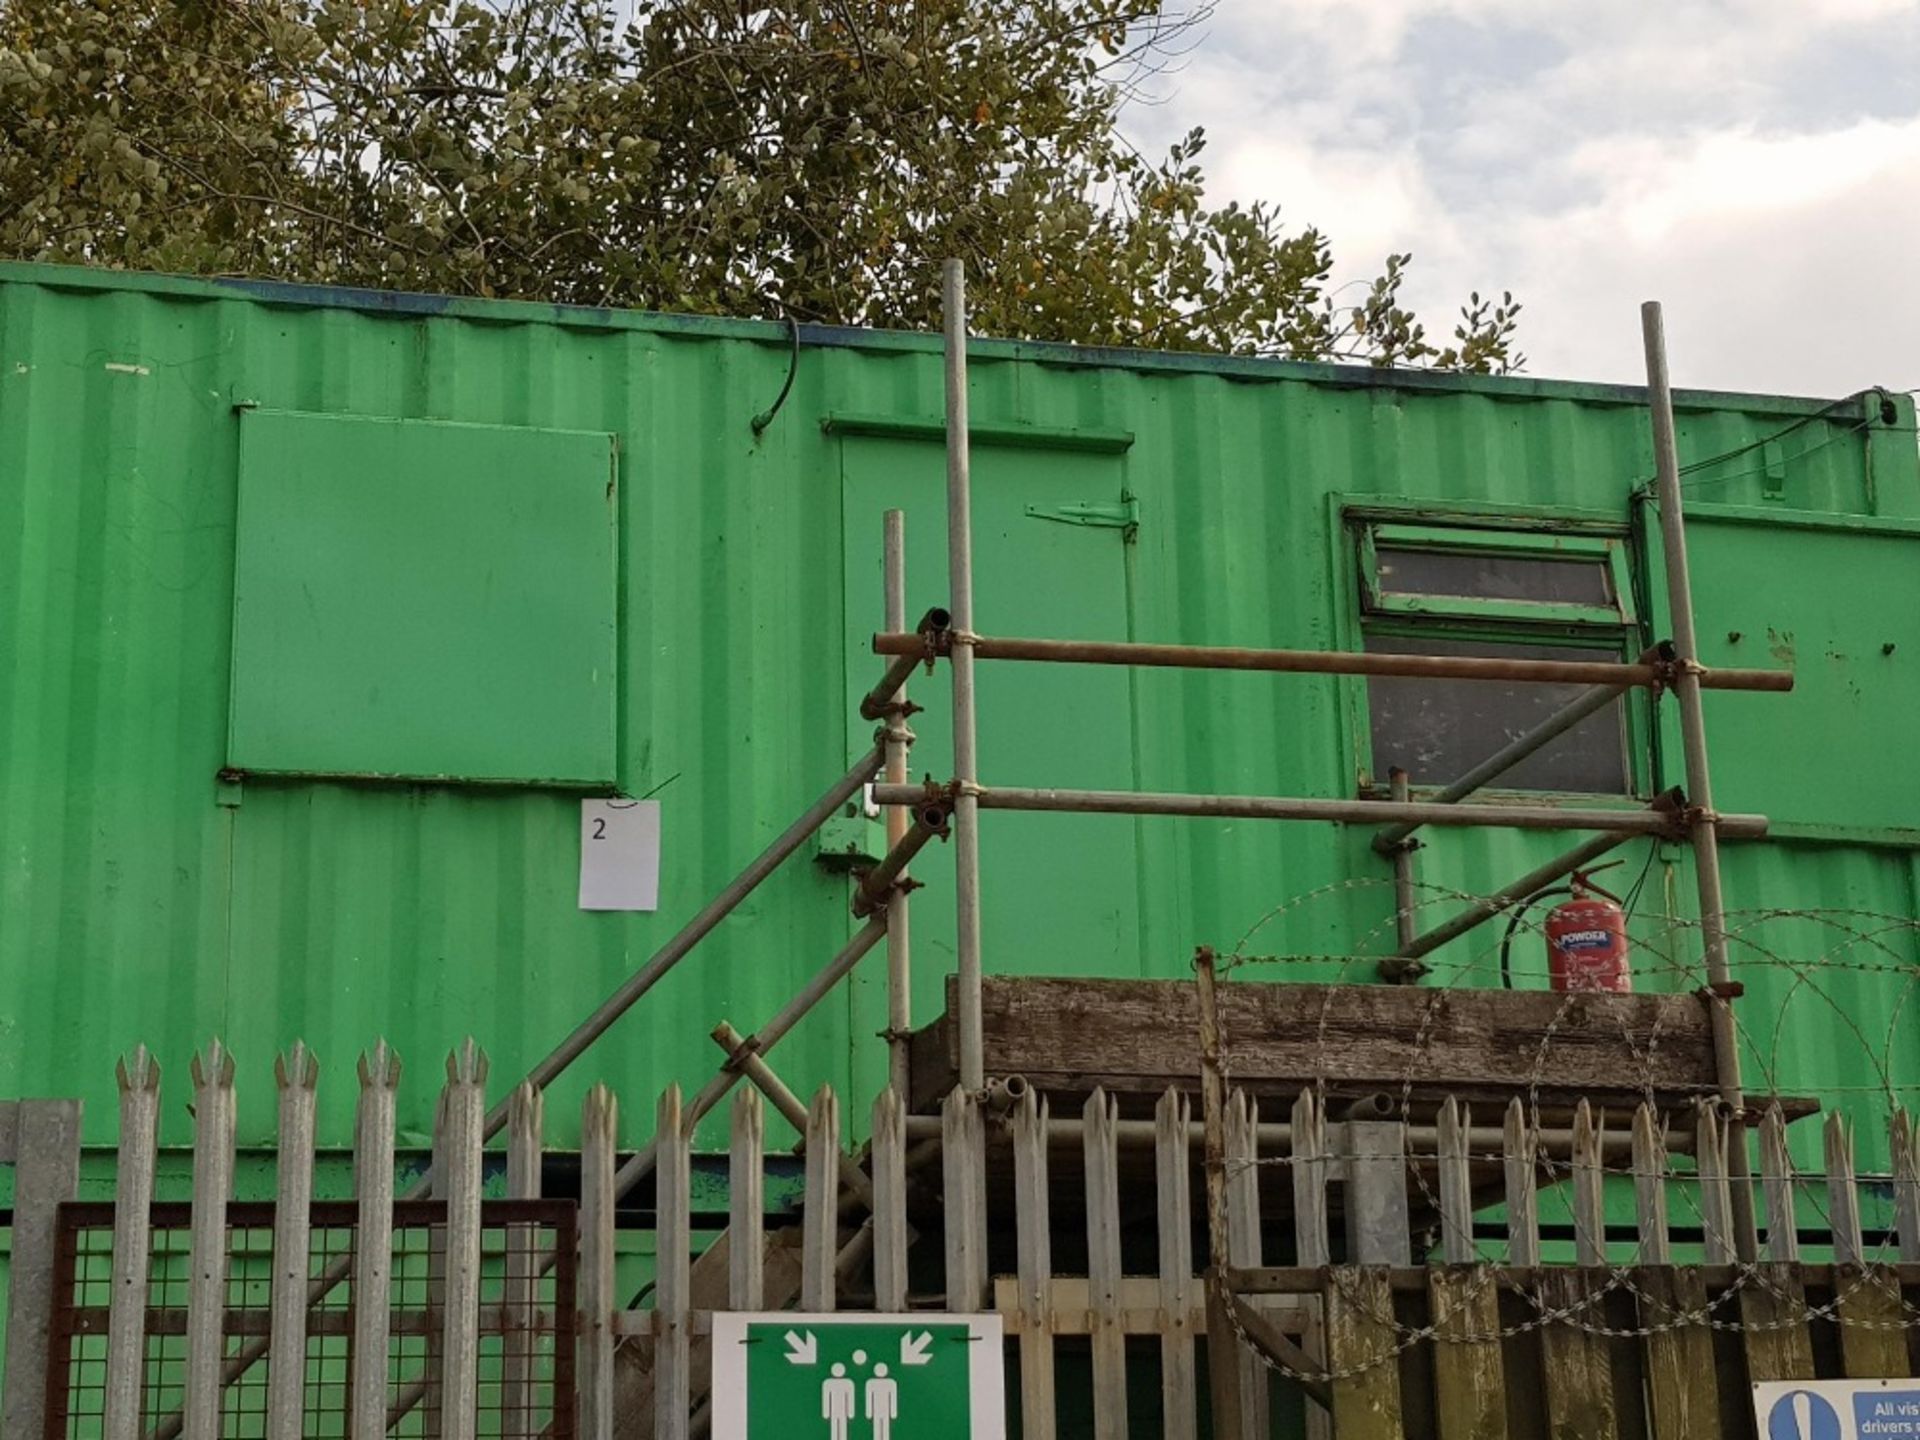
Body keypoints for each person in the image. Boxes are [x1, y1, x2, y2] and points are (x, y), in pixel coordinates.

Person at [822, 1362, 856, 1440]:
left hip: (842, 1411)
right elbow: (826, 1398)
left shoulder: (848, 1383)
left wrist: (850, 1412)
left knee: (842, 1427)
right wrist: (826, 1412)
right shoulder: (828, 1383)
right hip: (834, 1411)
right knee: (835, 1428)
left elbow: (850, 1398)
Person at [864, 1362, 898, 1440]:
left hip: (884, 1411)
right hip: (877, 1410)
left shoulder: (891, 1383)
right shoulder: (870, 1383)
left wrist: (893, 1412)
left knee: (884, 1427)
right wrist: (869, 1412)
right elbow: (869, 1398)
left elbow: (892, 1398)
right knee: (877, 1427)